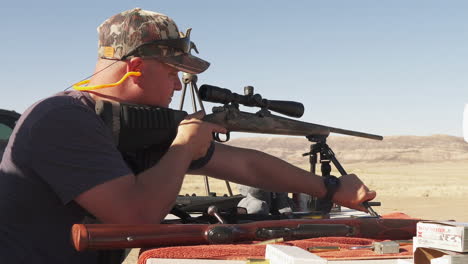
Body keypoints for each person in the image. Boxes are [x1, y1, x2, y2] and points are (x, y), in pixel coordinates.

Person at [0, 8, 376, 264]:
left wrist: (329, 188)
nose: (178, 83)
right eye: (171, 72)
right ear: (134, 67)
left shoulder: (135, 124)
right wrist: (182, 148)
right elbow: (138, 216)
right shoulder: (63, 118)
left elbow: (246, 164)